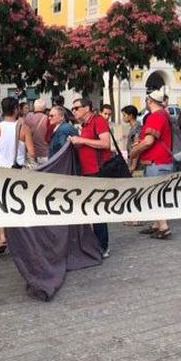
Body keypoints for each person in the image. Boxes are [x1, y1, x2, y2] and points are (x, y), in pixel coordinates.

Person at [0, 97, 36, 254]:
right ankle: (22, 240)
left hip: (1, 172)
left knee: (2, 205)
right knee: (20, 206)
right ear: (16, 109)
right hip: (18, 173)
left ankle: (3, 237)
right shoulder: (24, 128)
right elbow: (32, 153)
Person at [70, 98, 113, 258]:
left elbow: (105, 143)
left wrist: (81, 140)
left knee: (98, 210)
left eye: (76, 108)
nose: (74, 111)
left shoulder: (98, 120)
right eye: (72, 108)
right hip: (88, 172)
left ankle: (103, 246)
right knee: (92, 211)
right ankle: (96, 244)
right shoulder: (85, 125)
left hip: (98, 171)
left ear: (87, 108)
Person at [130, 90, 174, 240]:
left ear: (150, 101)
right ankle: (157, 225)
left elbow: (149, 141)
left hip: (157, 162)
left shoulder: (156, 116)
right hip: (163, 161)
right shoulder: (165, 115)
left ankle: (163, 226)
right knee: (159, 194)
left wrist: (135, 151)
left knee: (155, 195)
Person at [25, 98, 50, 164]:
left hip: (31, 154)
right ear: (44, 108)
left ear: (34, 107)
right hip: (45, 154)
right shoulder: (48, 119)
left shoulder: (28, 118)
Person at [122, 105, 142, 172]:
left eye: (124, 115)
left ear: (130, 116)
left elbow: (137, 146)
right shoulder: (132, 127)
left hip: (136, 165)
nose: (123, 118)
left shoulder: (136, 128)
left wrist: (133, 166)